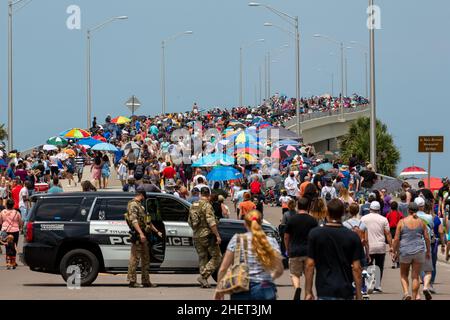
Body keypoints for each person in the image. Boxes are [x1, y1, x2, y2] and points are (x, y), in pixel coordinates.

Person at [214, 210, 284, 300]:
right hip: (265, 289)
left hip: (241, 288)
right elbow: (279, 270)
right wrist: (269, 279)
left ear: (245, 224)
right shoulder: (270, 241)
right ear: (261, 223)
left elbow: (223, 269)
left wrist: (219, 290)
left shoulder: (237, 239)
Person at [305, 199, 363, 300]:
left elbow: (310, 265)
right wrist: (359, 293)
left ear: (327, 212)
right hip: (345, 290)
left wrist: (308, 291)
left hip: (324, 289)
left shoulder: (315, 234)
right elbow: (356, 268)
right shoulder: (352, 236)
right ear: (343, 213)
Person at [392, 202, 431, 300]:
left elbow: (396, 239)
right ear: (417, 210)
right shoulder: (421, 222)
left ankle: (406, 293)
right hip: (419, 251)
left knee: (403, 274)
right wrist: (428, 251)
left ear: (408, 210)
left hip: (405, 251)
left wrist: (394, 251)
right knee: (415, 276)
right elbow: (427, 238)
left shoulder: (402, 222)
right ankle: (414, 297)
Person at [125, 189, 163, 288]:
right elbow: (134, 221)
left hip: (144, 236)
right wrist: (141, 234)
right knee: (135, 259)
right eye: (143, 196)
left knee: (146, 259)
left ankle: (146, 281)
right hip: (138, 236)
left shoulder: (140, 206)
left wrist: (157, 231)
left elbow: (148, 221)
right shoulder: (133, 205)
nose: (144, 198)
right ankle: (132, 281)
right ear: (141, 195)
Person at [284, 197, 318, 300]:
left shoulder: (292, 219)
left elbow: (286, 236)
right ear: (308, 207)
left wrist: (287, 249)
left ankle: (297, 288)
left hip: (295, 250)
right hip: (309, 252)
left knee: (294, 274)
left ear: (298, 206)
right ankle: (308, 294)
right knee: (309, 275)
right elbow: (315, 236)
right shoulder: (313, 220)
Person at [189, 187, 222, 288]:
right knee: (217, 256)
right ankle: (204, 276)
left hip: (196, 235)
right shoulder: (207, 205)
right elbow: (211, 222)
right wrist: (217, 235)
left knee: (202, 257)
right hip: (207, 235)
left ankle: (204, 281)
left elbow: (190, 221)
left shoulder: (193, 205)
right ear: (209, 194)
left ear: (200, 194)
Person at [361, 201, 393, 293]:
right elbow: (387, 233)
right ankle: (377, 286)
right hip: (380, 246)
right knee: (379, 266)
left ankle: (368, 285)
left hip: (368, 246)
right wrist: (391, 246)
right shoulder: (383, 219)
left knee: (368, 266)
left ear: (370, 209)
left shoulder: (363, 218)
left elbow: (361, 232)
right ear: (379, 210)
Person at [415, 197, 434, 300]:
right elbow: (431, 228)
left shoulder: (411, 217)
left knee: (416, 272)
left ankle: (417, 295)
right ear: (423, 206)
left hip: (414, 247)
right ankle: (426, 286)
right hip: (426, 246)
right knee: (428, 271)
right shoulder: (429, 217)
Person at [343, 203, 370, 268]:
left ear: (349, 211)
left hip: (348, 252)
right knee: (363, 272)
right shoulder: (363, 224)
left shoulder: (345, 224)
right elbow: (366, 241)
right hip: (360, 252)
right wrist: (367, 254)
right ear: (358, 211)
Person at [386, 201, 404, 268]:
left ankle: (393, 262)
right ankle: (398, 261)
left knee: (392, 247)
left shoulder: (389, 214)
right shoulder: (399, 214)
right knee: (398, 247)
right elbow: (402, 221)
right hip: (398, 230)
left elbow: (386, 222)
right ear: (397, 207)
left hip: (391, 230)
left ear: (391, 207)